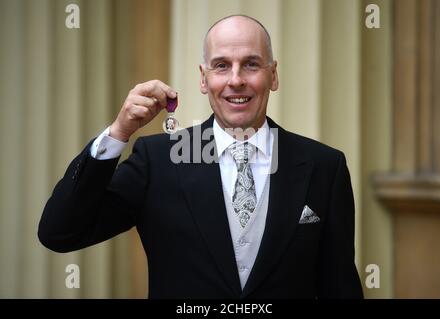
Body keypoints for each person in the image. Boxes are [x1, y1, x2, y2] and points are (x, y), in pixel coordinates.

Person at [38, 15, 363, 298]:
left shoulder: (325, 167)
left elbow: (340, 287)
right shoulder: (157, 161)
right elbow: (61, 232)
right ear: (203, 78)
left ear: (273, 75)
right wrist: (118, 133)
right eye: (221, 65)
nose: (236, 79)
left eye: (251, 64)